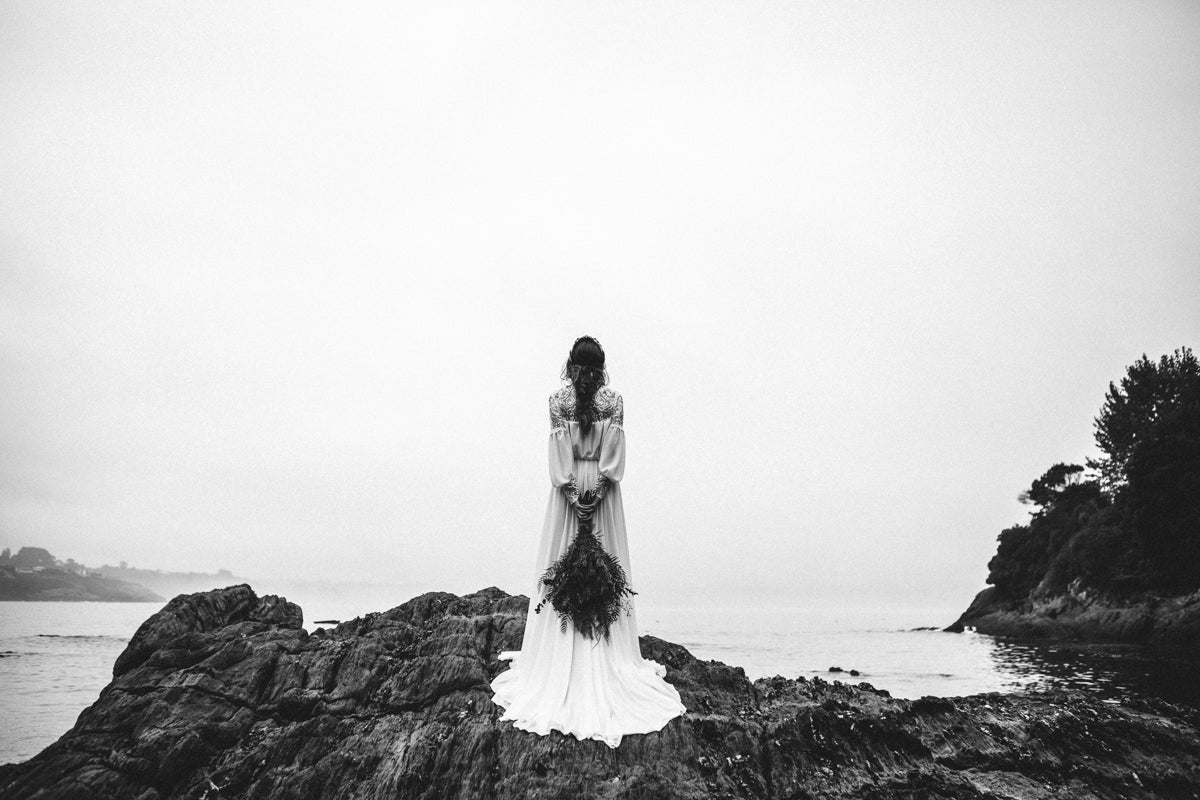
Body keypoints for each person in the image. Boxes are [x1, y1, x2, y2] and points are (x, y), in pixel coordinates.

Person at [489, 335, 686, 748]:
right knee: (604, 564)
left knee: (562, 562)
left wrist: (571, 493)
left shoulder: (557, 401)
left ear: (571, 365)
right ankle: (606, 648)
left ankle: (559, 652)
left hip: (567, 497)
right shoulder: (613, 401)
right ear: (601, 368)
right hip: (604, 494)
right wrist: (596, 492)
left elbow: (559, 456)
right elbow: (614, 456)